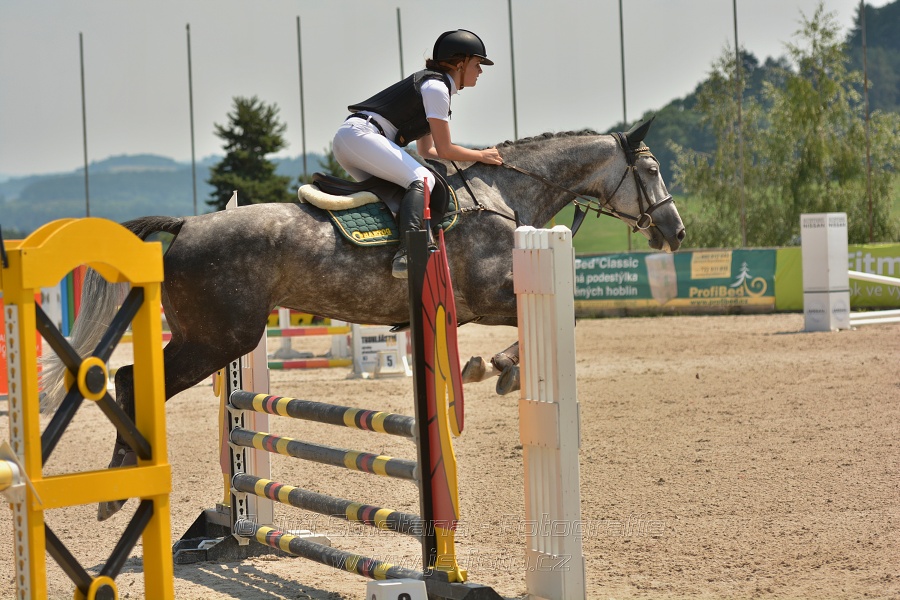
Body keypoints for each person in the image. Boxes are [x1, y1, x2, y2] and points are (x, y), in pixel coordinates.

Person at [333, 29, 503, 279]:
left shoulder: (434, 87)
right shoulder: (436, 89)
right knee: (423, 180)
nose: (481, 70)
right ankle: (409, 252)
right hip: (362, 136)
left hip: (354, 140)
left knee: (400, 193)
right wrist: (480, 155)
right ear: (460, 63)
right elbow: (446, 149)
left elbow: (428, 151)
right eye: (477, 64)